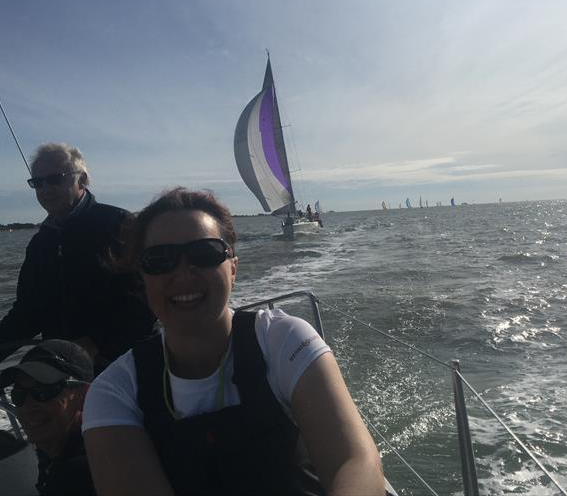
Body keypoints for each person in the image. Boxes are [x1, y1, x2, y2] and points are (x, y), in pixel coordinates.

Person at [82, 188, 384, 496]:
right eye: (160, 260)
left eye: (205, 253)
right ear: (142, 278)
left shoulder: (285, 341)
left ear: (234, 268)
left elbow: (354, 461)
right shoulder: (114, 393)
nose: (184, 274)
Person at [0, 143, 155, 375]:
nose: (45, 189)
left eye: (55, 179)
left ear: (82, 180)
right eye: (38, 182)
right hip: (67, 372)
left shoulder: (119, 224)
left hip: (128, 366)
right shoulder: (40, 244)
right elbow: (28, 312)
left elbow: (147, 299)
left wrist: (96, 342)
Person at [0, 339, 97, 495]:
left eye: (44, 391)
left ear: (84, 396)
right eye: (19, 395)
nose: (28, 406)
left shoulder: (80, 474)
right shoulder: (54, 454)